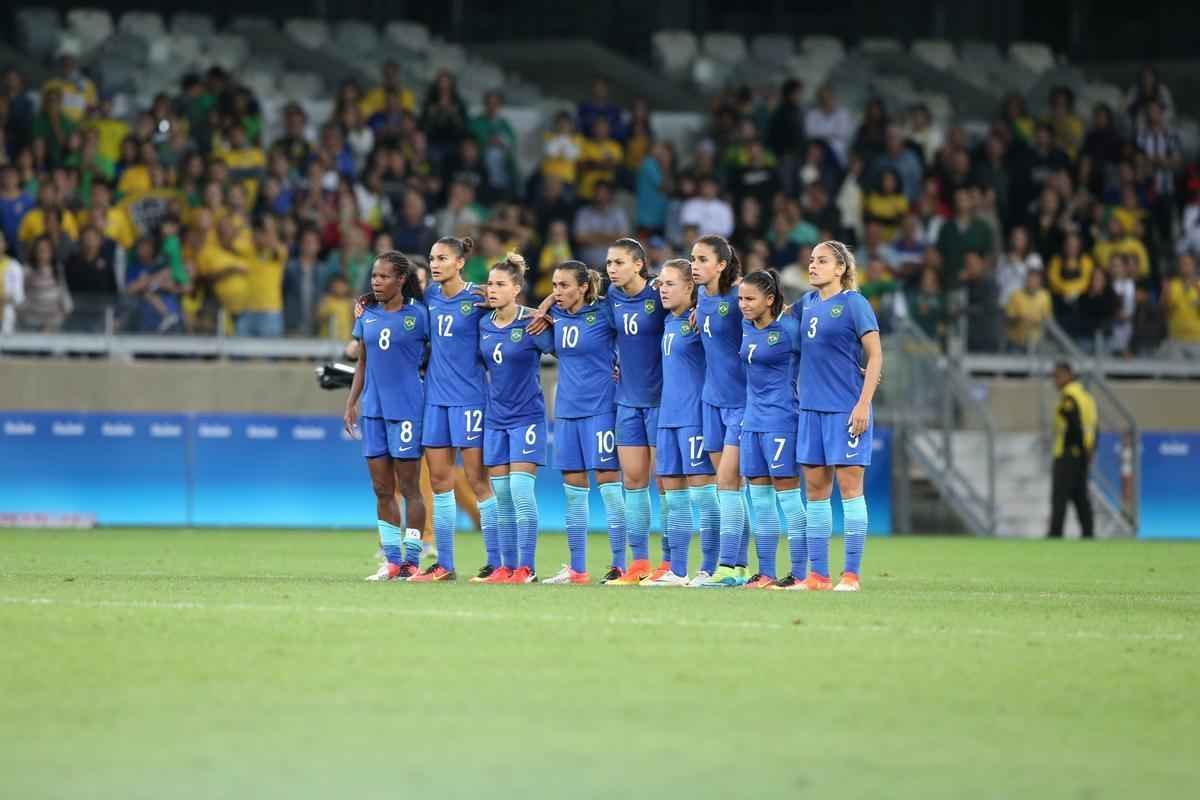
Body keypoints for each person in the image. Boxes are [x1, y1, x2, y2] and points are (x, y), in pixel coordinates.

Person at [792, 241, 883, 591]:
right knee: (815, 491)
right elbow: (774, 319)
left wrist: (863, 404)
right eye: (811, 259)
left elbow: (875, 356)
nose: (813, 265)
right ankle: (818, 575)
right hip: (810, 410)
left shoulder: (854, 304)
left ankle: (851, 574)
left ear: (841, 269)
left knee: (850, 490)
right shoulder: (807, 304)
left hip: (845, 409)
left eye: (822, 261)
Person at [408, 236, 498, 583]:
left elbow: (509, 317)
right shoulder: (429, 296)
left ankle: (495, 562)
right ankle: (444, 563)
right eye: (432, 258)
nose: (435, 264)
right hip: (435, 402)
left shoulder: (478, 297)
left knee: (477, 481)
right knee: (440, 481)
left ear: (460, 263)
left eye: (443, 258)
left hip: (471, 400)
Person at [343, 251, 430, 581]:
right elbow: (362, 363)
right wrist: (352, 403)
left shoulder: (419, 316)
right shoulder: (366, 316)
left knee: (410, 489)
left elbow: (440, 356)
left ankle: (412, 560)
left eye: (383, 277)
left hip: (407, 409)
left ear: (401, 280)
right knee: (382, 489)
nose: (376, 282)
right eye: (374, 277)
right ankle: (392, 561)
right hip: (374, 411)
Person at [540, 262, 626, 585]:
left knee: (608, 484)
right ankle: (577, 568)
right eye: (554, 285)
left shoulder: (605, 312)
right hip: (566, 412)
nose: (557, 291)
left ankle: (619, 565)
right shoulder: (556, 317)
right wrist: (547, 304)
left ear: (583, 288)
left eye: (564, 286)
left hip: (601, 409)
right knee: (574, 491)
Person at [477, 254, 555, 583]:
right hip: (496, 420)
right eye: (490, 284)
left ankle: (527, 567)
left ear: (517, 289)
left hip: (527, 418)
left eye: (500, 285)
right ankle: (506, 567)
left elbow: (566, 349)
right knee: (504, 496)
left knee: (521, 492)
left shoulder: (532, 322)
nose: (492, 290)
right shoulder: (483, 323)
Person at [731, 269, 809, 590]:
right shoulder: (746, 327)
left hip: (781, 421)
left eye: (750, 299)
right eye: (740, 299)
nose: (744, 305)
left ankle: (802, 571)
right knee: (759, 499)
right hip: (751, 422)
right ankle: (765, 572)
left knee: (788, 499)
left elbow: (821, 349)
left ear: (770, 300)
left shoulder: (790, 329)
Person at [637, 259, 713, 586]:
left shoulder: (701, 322)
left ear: (689, 287)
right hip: (666, 417)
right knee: (674, 496)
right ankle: (677, 569)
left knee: (703, 496)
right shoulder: (669, 322)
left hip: (694, 417)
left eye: (670, 284)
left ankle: (712, 567)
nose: (662, 290)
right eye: (661, 284)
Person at [690, 235, 751, 587]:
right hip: (710, 401)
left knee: (728, 482)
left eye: (701, 259)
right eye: (692, 259)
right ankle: (739, 567)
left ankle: (726, 567)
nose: (694, 266)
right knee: (727, 486)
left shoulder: (740, 296)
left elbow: (773, 324)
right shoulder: (703, 296)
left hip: (741, 403)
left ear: (722, 264)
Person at [1048, 362, 1096, 538]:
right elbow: (1093, 426)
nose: (1055, 381)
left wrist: (1071, 448)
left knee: (1059, 496)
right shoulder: (1086, 396)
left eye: (1057, 376)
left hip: (1067, 454)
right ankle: (1088, 533)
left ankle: (1055, 533)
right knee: (1080, 497)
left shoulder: (1069, 397)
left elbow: (1073, 426)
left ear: (1068, 375)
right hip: (1083, 454)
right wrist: (1089, 450)